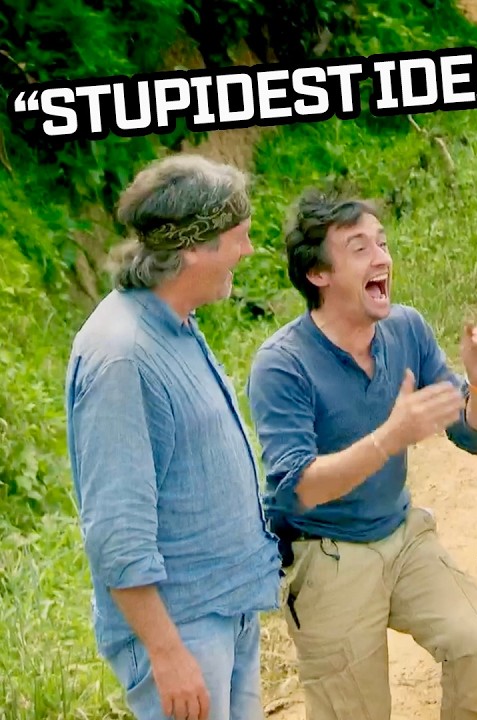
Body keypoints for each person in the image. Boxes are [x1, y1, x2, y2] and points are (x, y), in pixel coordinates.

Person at [245, 189, 477, 720]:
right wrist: (390, 437)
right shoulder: (282, 365)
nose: (381, 258)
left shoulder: (405, 328)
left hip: (402, 534)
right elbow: (299, 488)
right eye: (359, 248)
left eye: (382, 243)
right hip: (328, 555)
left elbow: (475, 435)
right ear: (318, 273)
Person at [65, 154, 282, 720]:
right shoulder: (123, 356)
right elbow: (116, 530)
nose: (248, 250)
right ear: (193, 247)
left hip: (222, 612)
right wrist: (166, 652)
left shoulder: (174, 322)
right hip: (183, 631)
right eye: (239, 237)